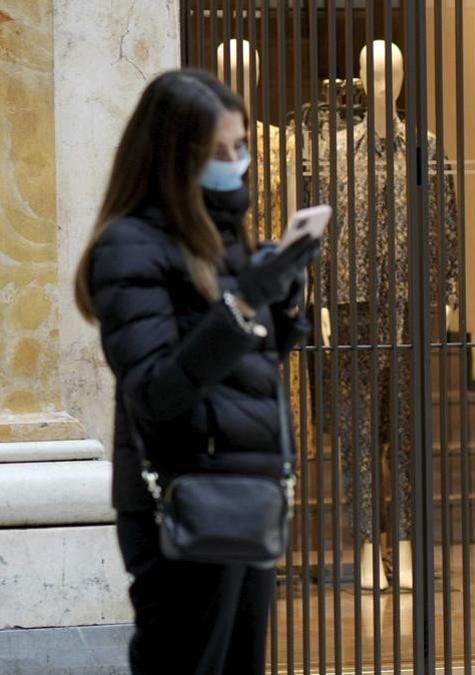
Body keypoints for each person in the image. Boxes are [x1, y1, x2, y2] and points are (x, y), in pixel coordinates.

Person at [74, 69, 321, 674]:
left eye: (240, 148)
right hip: (180, 500)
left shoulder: (220, 237)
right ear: (170, 155)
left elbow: (242, 371)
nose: (234, 163)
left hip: (246, 492)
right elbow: (157, 388)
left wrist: (283, 301)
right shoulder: (128, 247)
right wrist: (242, 305)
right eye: (218, 151)